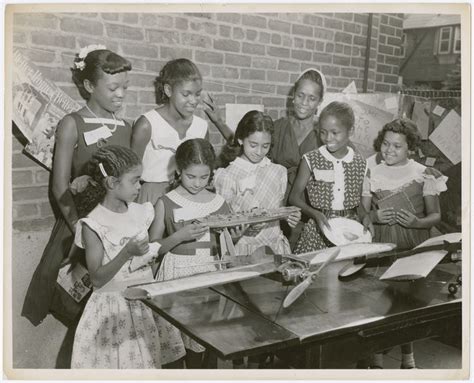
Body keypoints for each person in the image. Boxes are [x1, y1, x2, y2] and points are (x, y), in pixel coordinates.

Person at [22, 46, 133, 329]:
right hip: (80, 224)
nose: (120, 94)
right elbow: (60, 184)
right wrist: (79, 227)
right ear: (88, 85)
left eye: (125, 87)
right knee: (82, 312)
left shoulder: (126, 126)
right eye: (113, 88)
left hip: (116, 227)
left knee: (114, 308)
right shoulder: (72, 124)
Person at [360, 119, 447, 369]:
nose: (389, 150)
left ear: (410, 148)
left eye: (397, 146)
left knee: (407, 305)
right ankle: (376, 359)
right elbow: (362, 213)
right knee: (379, 301)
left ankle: (408, 360)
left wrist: (415, 222)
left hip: (412, 245)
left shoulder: (423, 173)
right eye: (385, 144)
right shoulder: (370, 170)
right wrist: (373, 217)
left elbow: (435, 216)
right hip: (381, 244)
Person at [149, 138, 243, 368]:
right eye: (191, 176)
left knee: (204, 343)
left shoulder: (219, 203)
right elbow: (152, 250)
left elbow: (225, 245)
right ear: (179, 171)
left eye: (204, 177)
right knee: (174, 342)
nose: (197, 183)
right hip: (176, 276)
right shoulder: (166, 202)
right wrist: (179, 236)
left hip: (208, 274)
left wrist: (236, 236)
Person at [71, 145, 161, 368]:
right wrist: (126, 252)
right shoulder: (93, 224)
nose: (140, 187)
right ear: (112, 183)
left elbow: (148, 256)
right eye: (135, 180)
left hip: (144, 303)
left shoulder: (141, 213)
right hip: (114, 309)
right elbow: (97, 279)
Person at [131, 58, 232, 206]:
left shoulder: (201, 126)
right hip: (150, 198)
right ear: (168, 90)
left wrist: (219, 122)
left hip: (187, 197)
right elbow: (130, 173)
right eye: (186, 94)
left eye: (197, 94)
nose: (193, 101)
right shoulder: (147, 124)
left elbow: (240, 149)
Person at [214, 110, 301, 257]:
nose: (259, 152)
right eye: (253, 145)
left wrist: (288, 215)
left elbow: (277, 209)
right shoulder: (226, 175)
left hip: (274, 246)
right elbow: (223, 222)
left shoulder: (278, 171)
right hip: (244, 248)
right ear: (241, 139)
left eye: (265, 146)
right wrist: (239, 230)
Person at [289, 101, 367, 253]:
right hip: (318, 229)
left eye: (335, 132)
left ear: (351, 131)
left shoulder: (360, 163)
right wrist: (315, 213)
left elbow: (357, 202)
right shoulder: (310, 159)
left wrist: (366, 216)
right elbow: (294, 197)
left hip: (349, 230)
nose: (327, 138)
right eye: (323, 132)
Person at [269, 68, 326, 250]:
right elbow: (249, 148)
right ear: (293, 95)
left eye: (312, 98)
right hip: (277, 210)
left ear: (320, 102)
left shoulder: (325, 132)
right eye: (301, 95)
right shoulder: (278, 127)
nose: (304, 103)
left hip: (310, 213)